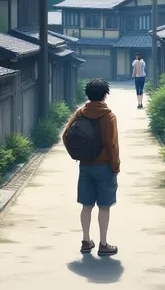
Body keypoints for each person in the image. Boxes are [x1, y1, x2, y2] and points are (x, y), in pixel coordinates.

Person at [62, 78, 120, 256]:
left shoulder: (80, 114)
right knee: (104, 206)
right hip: (104, 167)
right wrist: (115, 166)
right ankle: (103, 244)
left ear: (87, 94)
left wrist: (77, 154)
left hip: (85, 166)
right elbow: (112, 145)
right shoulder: (109, 116)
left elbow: (65, 136)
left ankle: (86, 241)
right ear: (105, 95)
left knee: (86, 206)